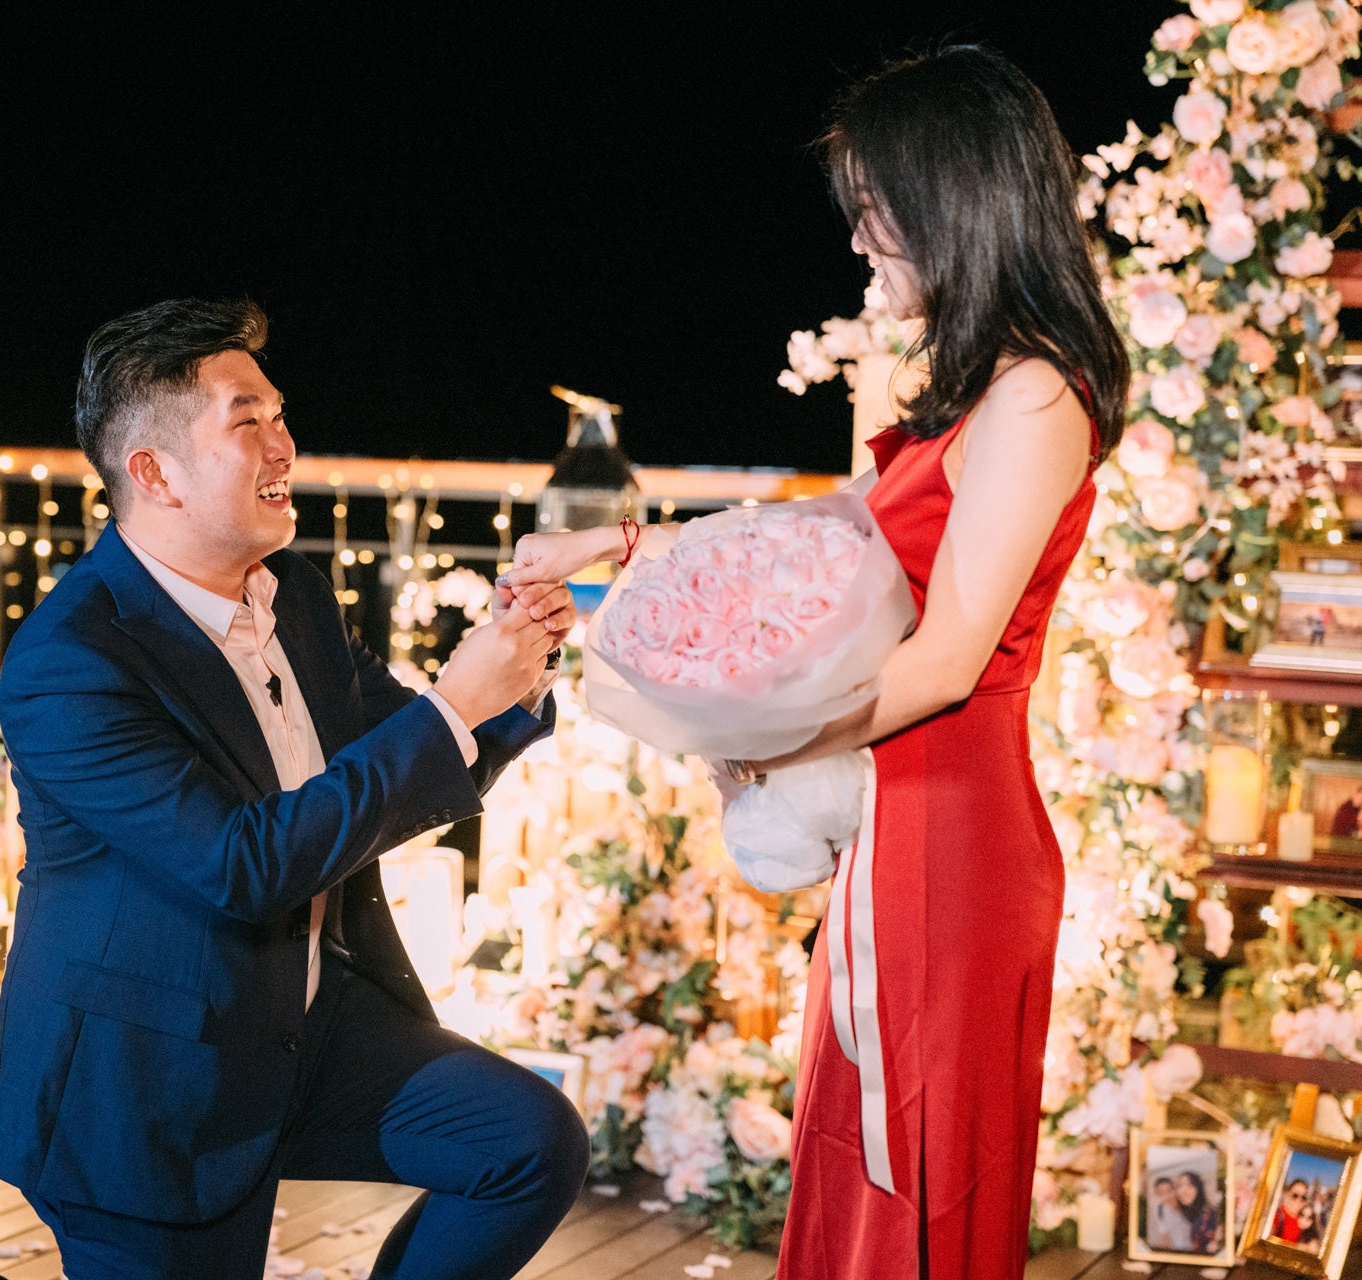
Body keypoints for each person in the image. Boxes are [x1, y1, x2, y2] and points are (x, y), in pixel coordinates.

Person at [503, 45, 1127, 1280]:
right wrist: (608, 550)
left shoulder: (1035, 398)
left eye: (872, 207)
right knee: (860, 1152)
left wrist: (750, 737)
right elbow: (798, 544)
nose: (856, 240)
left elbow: (946, 662)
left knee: (914, 1172)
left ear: (950, 201)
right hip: (893, 826)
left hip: (949, 842)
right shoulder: (967, 392)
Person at [0, 298, 588, 1280]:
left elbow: (399, 747)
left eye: (279, 415)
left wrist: (515, 663)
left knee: (528, 1143)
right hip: (148, 1086)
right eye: (246, 421)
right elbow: (242, 864)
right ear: (154, 473)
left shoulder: (293, 593)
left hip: (307, 1024)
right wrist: (456, 700)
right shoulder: (69, 662)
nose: (283, 444)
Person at [1175, 1170, 1221, 1255]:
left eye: (1189, 1186)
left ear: (1199, 1189)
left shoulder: (1209, 1216)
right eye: (1180, 1186)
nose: (1183, 1191)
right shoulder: (1188, 1215)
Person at [1145, 1176, 1191, 1252]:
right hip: (1176, 1251)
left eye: (1170, 1190)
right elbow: (1165, 1236)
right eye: (1162, 1194)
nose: (1168, 1196)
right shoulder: (1161, 1211)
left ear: (1175, 1189)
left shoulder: (1189, 1205)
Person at [1273, 1179, 1313, 1248]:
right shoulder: (1276, 1216)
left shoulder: (1303, 1221)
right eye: (1295, 1195)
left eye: (1303, 1197)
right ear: (1287, 1195)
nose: (1298, 1200)